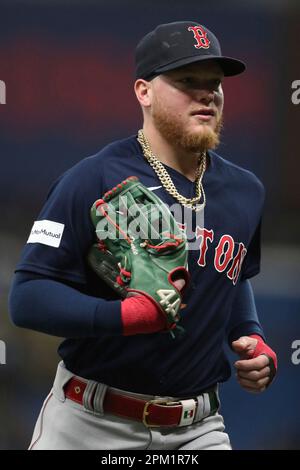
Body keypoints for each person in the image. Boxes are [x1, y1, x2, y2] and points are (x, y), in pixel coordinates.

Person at [9, 21, 277, 450]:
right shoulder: (92, 178)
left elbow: (235, 275)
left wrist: (251, 336)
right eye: (187, 80)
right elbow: (27, 299)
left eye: (215, 83)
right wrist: (126, 317)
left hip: (198, 428)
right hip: (90, 423)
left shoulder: (246, 191)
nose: (206, 93)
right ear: (144, 92)